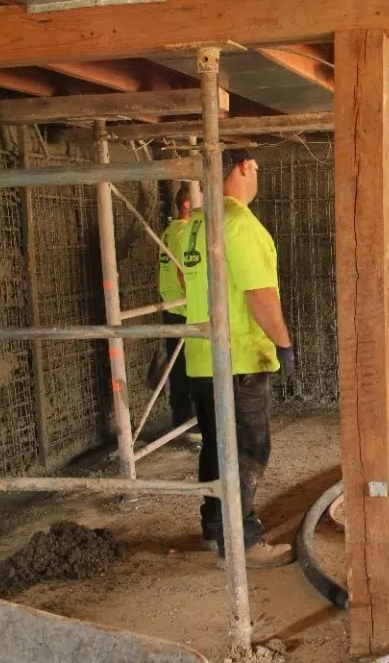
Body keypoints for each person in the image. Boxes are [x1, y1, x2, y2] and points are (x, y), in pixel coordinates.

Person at [182, 148, 296, 567]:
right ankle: (243, 543)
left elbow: (183, 276)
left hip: (201, 356)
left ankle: (214, 530)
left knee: (216, 445)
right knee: (248, 449)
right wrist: (283, 344)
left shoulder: (196, 224)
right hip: (241, 357)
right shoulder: (241, 224)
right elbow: (259, 295)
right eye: (257, 168)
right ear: (245, 167)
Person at [157, 183, 197, 439]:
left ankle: (182, 419)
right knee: (191, 368)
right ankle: (190, 422)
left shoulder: (167, 232)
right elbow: (184, 272)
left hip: (172, 307)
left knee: (179, 368)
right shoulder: (183, 233)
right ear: (186, 204)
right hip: (185, 309)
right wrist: (197, 303)